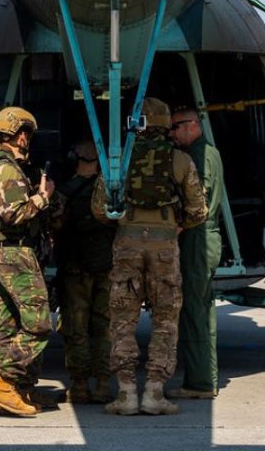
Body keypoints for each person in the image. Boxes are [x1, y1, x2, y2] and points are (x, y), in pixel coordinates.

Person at [92, 97, 206, 416]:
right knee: (165, 320)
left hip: (127, 243)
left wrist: (125, 221)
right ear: (165, 124)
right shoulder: (181, 160)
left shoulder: (119, 161)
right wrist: (176, 224)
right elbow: (198, 210)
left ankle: (126, 393)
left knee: (122, 320)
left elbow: (99, 209)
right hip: (165, 247)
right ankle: (154, 392)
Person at [0, 107, 54, 417]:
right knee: (39, 323)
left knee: (4, 325)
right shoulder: (8, 170)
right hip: (15, 252)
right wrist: (42, 197)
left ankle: (15, 391)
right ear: (19, 135)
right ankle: (6, 385)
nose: (28, 140)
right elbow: (12, 214)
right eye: (27, 134)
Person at [168, 106, 225, 399]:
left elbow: (198, 204)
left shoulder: (201, 155)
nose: (172, 134)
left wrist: (174, 228)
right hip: (200, 239)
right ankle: (200, 379)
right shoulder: (205, 152)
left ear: (193, 125)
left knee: (196, 312)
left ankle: (200, 383)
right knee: (197, 309)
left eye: (176, 127)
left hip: (198, 241)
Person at [53, 140, 113, 404]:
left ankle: (78, 385)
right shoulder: (112, 190)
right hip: (107, 265)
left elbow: (54, 222)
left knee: (76, 327)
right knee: (105, 327)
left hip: (75, 267)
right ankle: (102, 384)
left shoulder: (64, 191)